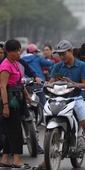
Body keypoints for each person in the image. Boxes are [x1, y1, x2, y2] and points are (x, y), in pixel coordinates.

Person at [33, 40, 85, 170]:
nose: (62, 56)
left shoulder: (82, 66)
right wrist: (47, 84)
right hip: (57, 99)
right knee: (48, 125)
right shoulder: (57, 66)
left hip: (76, 99)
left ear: (71, 51)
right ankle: (45, 160)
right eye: (60, 54)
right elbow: (51, 82)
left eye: (64, 53)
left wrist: (71, 82)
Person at [0, 39, 32, 169]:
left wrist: (27, 95)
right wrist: (6, 106)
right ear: (8, 52)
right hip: (10, 101)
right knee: (16, 130)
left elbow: (20, 82)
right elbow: (2, 87)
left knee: (10, 130)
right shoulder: (5, 66)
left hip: (18, 99)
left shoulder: (16, 64)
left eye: (19, 50)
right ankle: (17, 159)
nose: (18, 53)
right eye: (14, 51)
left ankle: (6, 158)